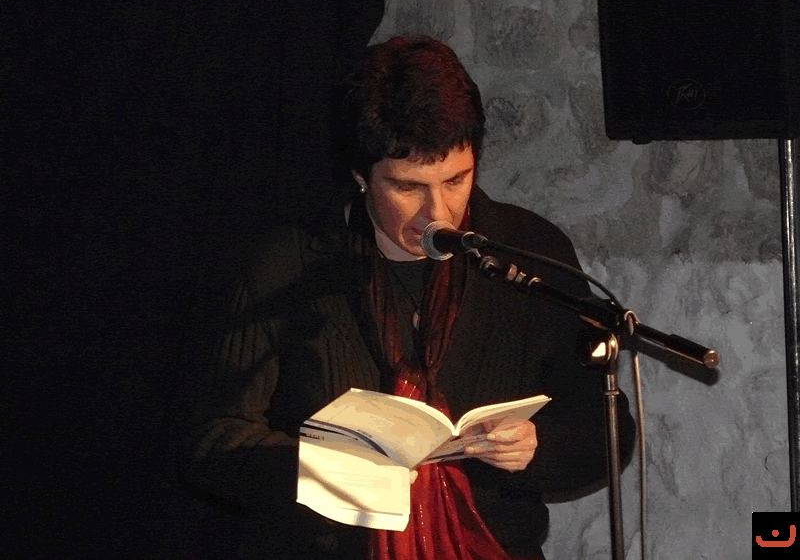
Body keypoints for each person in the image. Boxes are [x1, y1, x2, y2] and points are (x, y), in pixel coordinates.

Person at [183, 35, 636, 560]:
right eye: (407, 187)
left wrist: (538, 446)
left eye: (456, 180)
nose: (437, 213)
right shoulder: (288, 263)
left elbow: (605, 426)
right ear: (360, 177)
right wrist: (324, 471)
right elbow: (212, 440)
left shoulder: (527, 251)